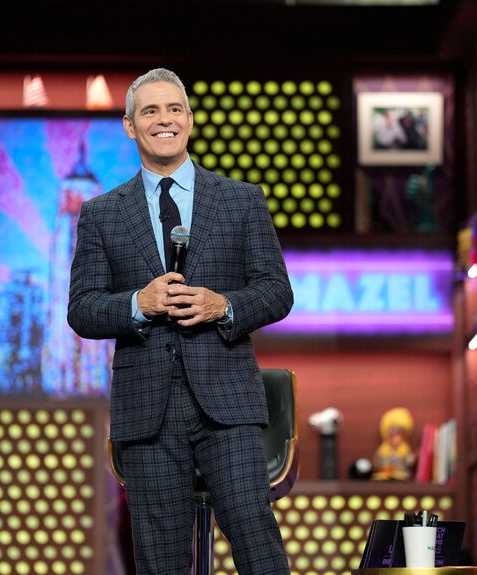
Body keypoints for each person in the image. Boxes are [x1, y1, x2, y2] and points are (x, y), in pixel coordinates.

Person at [67, 67, 294, 574]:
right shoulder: (102, 213)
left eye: (174, 110)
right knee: (160, 561)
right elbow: (82, 309)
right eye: (150, 111)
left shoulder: (241, 200)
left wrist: (224, 306)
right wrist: (137, 303)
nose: (163, 119)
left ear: (189, 121)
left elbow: (277, 293)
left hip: (228, 403)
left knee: (259, 548)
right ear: (130, 126)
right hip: (147, 411)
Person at [371, 407, 417, 481]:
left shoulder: (405, 450)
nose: (396, 438)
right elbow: (376, 462)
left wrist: (413, 458)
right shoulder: (383, 450)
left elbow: (409, 461)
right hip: (385, 476)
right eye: (393, 434)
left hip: (402, 477)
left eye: (399, 434)